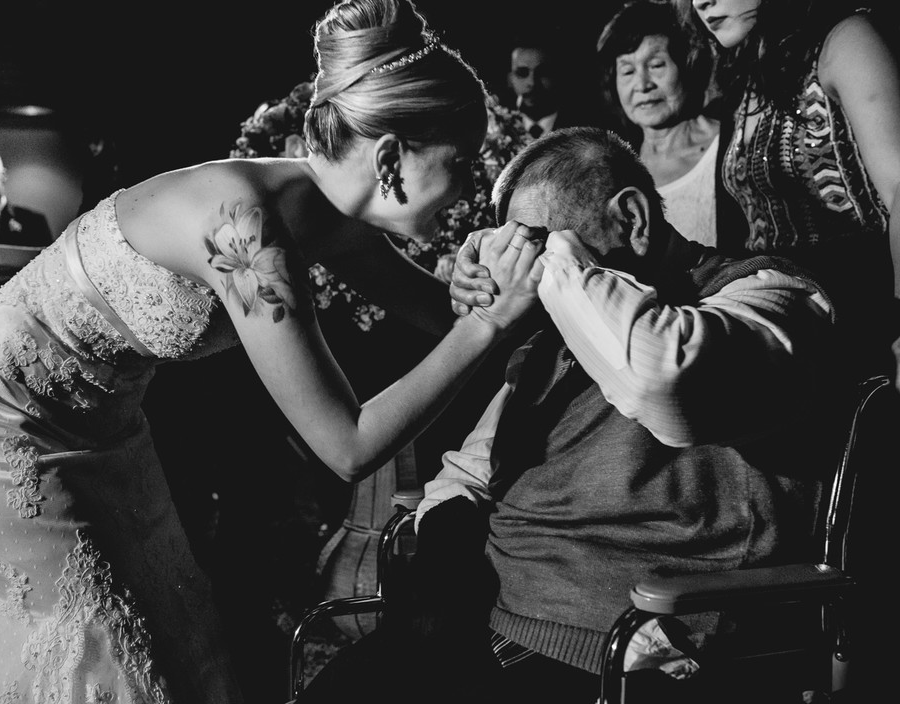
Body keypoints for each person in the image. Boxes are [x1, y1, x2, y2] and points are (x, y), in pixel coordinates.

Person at [0, 0, 533, 704]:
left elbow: (441, 310)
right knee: (96, 650)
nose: (471, 192)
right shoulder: (246, 228)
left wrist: (482, 288)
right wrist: (488, 325)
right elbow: (348, 444)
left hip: (102, 423)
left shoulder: (328, 209)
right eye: (463, 164)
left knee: (170, 631)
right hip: (5, 418)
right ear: (391, 156)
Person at [297, 126, 838, 704]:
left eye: (538, 245)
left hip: (613, 650)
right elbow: (469, 471)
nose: (527, 271)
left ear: (631, 219)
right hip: (488, 623)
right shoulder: (555, 339)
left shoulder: (770, 294)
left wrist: (558, 261)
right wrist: (447, 565)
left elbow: (664, 380)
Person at [669, 0, 900, 379]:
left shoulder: (845, 41)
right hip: (774, 323)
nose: (701, 0)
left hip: (855, 316)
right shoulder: (745, 80)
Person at [596, 0, 738, 249]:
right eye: (627, 71)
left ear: (687, 66)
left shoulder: (733, 146)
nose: (642, 85)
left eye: (656, 65)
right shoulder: (614, 169)